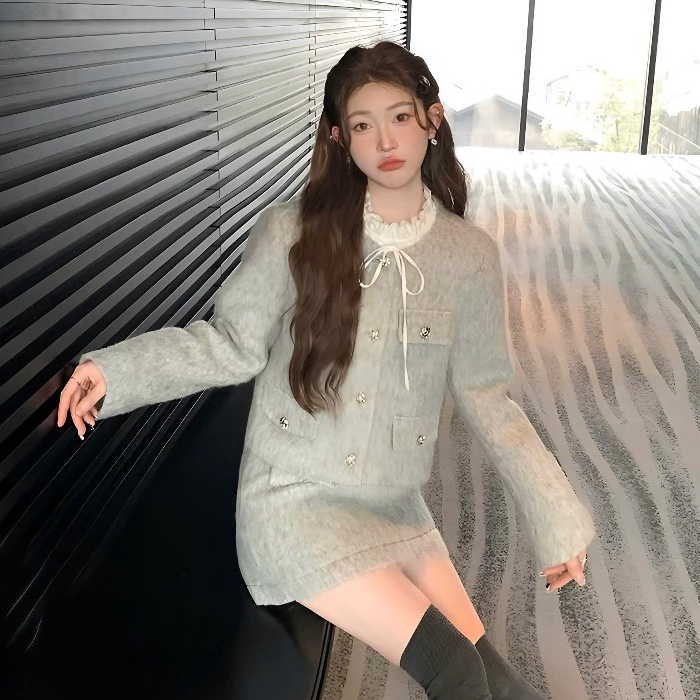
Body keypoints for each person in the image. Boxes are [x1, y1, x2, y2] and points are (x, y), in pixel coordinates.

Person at [57, 41, 595, 700]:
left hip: (391, 501)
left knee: (496, 680)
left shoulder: (467, 257)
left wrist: (556, 518)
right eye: (363, 125)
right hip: (294, 501)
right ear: (340, 139)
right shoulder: (293, 231)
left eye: (400, 117)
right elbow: (230, 343)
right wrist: (114, 374)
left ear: (432, 120)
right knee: (454, 670)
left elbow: (489, 398)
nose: (385, 141)